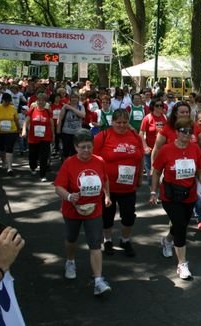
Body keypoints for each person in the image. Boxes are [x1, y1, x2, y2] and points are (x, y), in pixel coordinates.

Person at [54, 129, 112, 296]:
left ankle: (99, 280)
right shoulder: (69, 163)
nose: (86, 150)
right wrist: (70, 196)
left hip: (94, 209)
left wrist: (107, 196)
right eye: (82, 147)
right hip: (73, 210)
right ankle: (70, 261)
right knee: (71, 239)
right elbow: (59, 187)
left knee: (95, 243)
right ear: (75, 147)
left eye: (89, 147)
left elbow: (105, 179)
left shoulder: (99, 161)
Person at [150, 117, 201, 280]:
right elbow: (156, 171)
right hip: (170, 195)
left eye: (190, 131)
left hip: (189, 194)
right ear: (176, 133)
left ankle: (167, 240)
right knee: (181, 226)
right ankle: (182, 264)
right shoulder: (166, 150)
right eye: (184, 131)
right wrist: (153, 192)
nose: (187, 134)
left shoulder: (195, 149)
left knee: (181, 223)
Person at [94, 109, 144, 257]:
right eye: (118, 122)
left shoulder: (134, 136)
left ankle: (125, 240)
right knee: (107, 217)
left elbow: (140, 158)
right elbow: (94, 160)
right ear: (112, 122)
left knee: (128, 217)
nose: (122, 125)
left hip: (128, 187)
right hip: (108, 188)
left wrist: (140, 177)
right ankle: (107, 240)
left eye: (124, 122)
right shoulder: (103, 136)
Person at [22, 93, 54, 182]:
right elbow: (26, 121)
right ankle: (33, 166)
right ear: (36, 101)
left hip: (45, 137)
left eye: (43, 100)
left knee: (44, 157)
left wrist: (53, 135)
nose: (41, 102)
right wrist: (24, 130)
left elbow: (51, 124)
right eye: (39, 100)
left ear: (45, 102)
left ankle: (42, 175)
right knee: (33, 155)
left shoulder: (48, 111)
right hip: (33, 138)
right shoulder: (32, 110)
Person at [140, 98, 167, 185]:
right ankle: (153, 193)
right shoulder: (147, 118)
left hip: (162, 150)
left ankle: (160, 193)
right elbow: (141, 133)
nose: (159, 107)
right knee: (151, 174)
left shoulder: (165, 117)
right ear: (152, 107)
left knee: (163, 173)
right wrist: (145, 147)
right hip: (150, 150)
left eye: (161, 105)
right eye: (157, 105)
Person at [0, 93, 20, 176]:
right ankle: (4, 161)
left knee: (9, 148)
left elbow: (16, 120)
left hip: (11, 132)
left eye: (9, 101)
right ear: (2, 100)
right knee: (2, 148)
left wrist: (19, 129)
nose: (7, 103)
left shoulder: (13, 108)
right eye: (6, 101)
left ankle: (10, 168)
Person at [57, 93, 86, 160]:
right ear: (70, 99)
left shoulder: (80, 107)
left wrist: (71, 108)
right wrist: (58, 130)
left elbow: (83, 115)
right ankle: (65, 164)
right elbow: (60, 118)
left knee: (75, 151)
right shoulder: (65, 107)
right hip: (66, 132)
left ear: (78, 99)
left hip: (77, 133)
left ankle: (74, 165)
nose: (74, 99)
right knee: (66, 151)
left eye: (76, 98)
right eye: (72, 98)